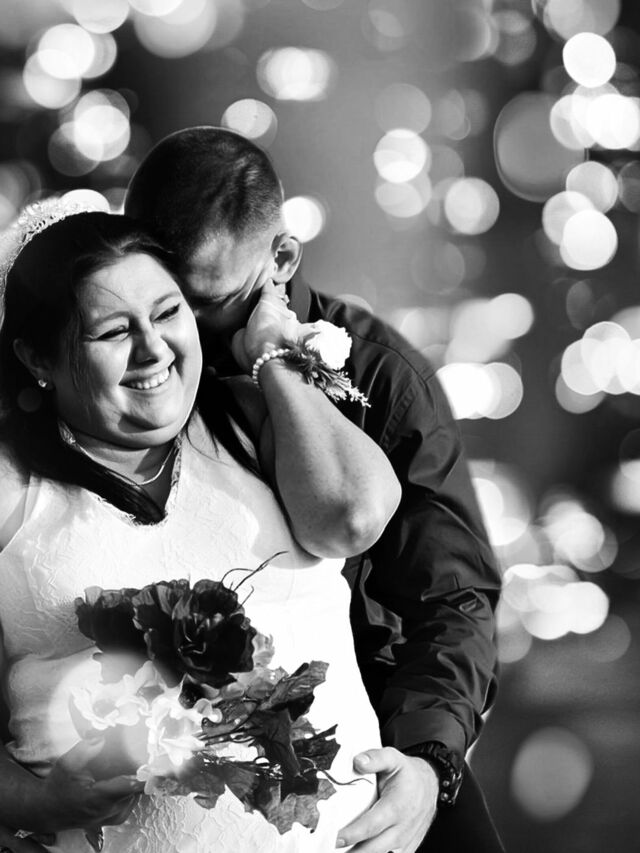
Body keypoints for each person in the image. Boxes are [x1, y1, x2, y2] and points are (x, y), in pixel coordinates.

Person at [124, 126, 506, 853]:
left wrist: (427, 763)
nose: (177, 337)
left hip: (372, 731)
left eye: (206, 304)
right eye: (160, 300)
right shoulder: (128, 368)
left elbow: (450, 596)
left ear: (282, 259)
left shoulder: (381, 374)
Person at [0, 205, 402, 853]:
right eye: (113, 331)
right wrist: (33, 800)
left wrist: (273, 358)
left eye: (167, 313)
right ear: (37, 356)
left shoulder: (252, 416)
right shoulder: (12, 482)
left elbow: (355, 517)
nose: (153, 349)